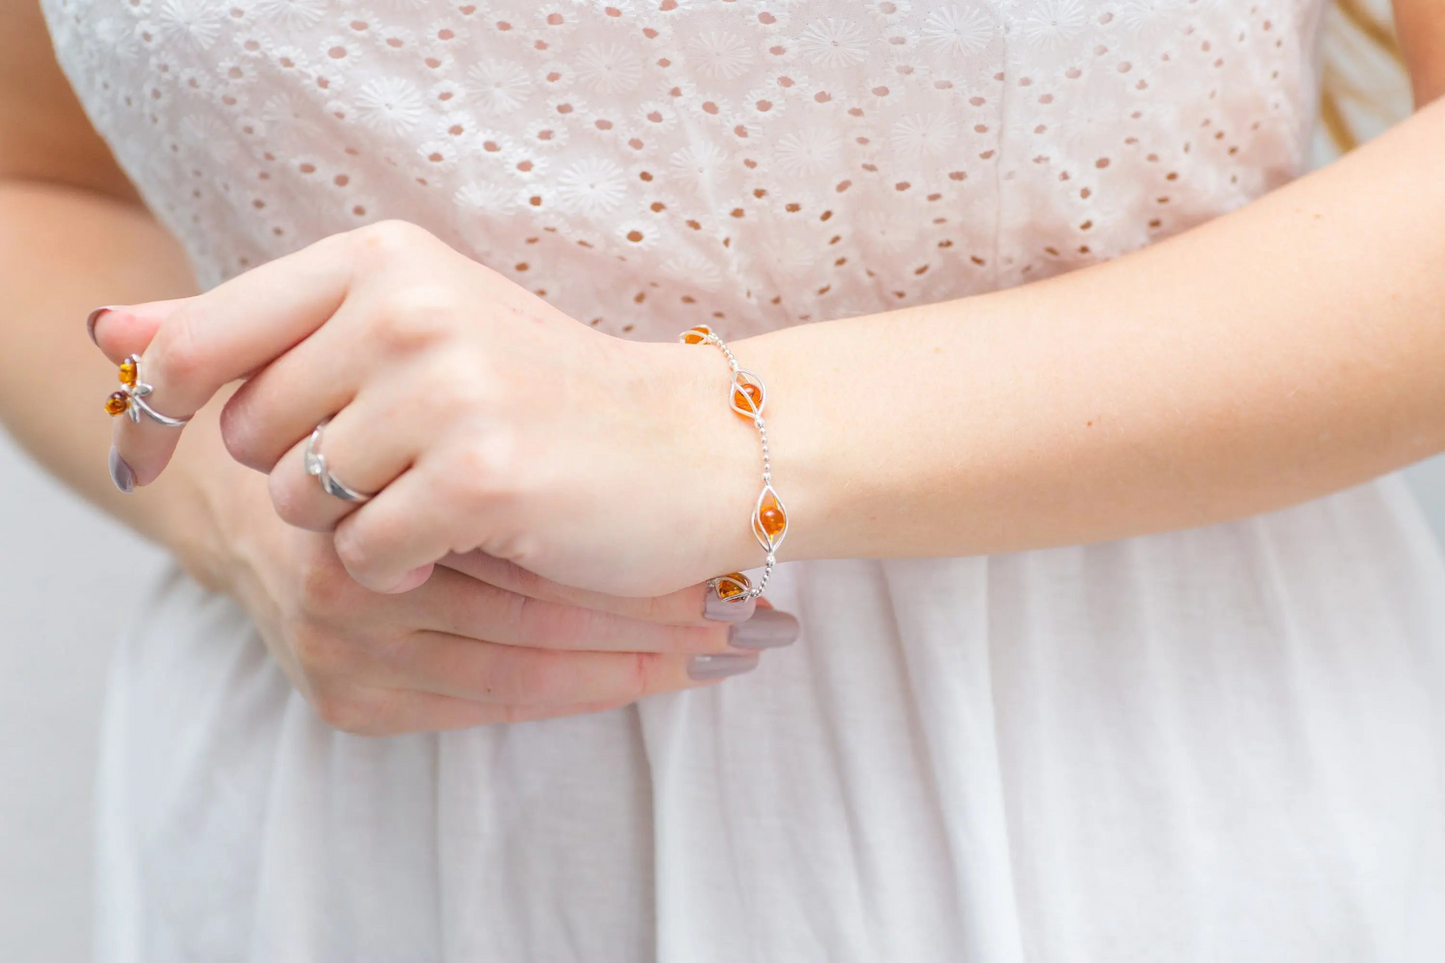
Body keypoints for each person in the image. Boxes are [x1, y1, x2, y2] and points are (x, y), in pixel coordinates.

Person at [4, 0, 1444, 958]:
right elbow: (30, 175)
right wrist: (236, 508)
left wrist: (722, 430)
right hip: (357, 850)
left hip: (1157, 800)